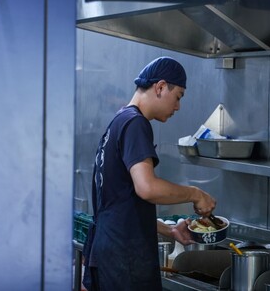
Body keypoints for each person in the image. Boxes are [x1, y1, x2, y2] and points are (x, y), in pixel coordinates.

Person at [82, 57, 217, 291]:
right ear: (161, 87)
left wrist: (170, 230)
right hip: (124, 259)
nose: (178, 107)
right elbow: (147, 188)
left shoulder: (119, 121)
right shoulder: (136, 123)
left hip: (110, 251)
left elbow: (122, 204)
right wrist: (196, 194)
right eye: (178, 97)